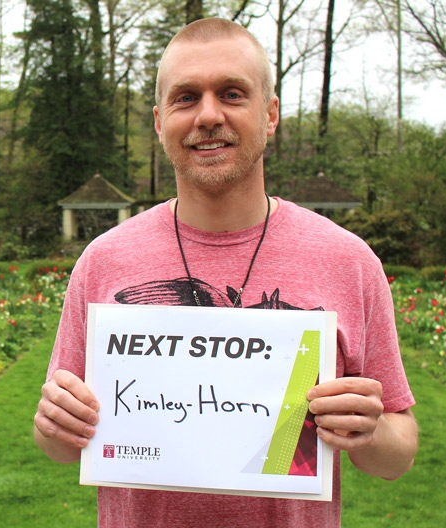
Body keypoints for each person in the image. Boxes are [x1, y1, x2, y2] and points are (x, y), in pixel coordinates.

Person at [33, 17, 418, 528]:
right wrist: (55, 423)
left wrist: (370, 432)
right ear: (158, 120)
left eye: (233, 94)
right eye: (186, 97)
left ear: (270, 114)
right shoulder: (104, 260)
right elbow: (60, 445)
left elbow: (398, 453)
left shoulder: (347, 261)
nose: (208, 115)